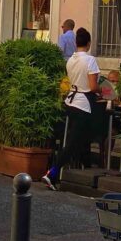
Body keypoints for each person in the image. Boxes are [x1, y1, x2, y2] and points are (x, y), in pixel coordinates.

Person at [44, 27, 99, 190]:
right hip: (84, 103)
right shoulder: (90, 60)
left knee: (80, 140)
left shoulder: (70, 60)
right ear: (88, 43)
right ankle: (52, 173)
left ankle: (84, 172)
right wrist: (102, 90)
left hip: (70, 101)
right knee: (73, 142)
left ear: (76, 43)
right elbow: (92, 86)